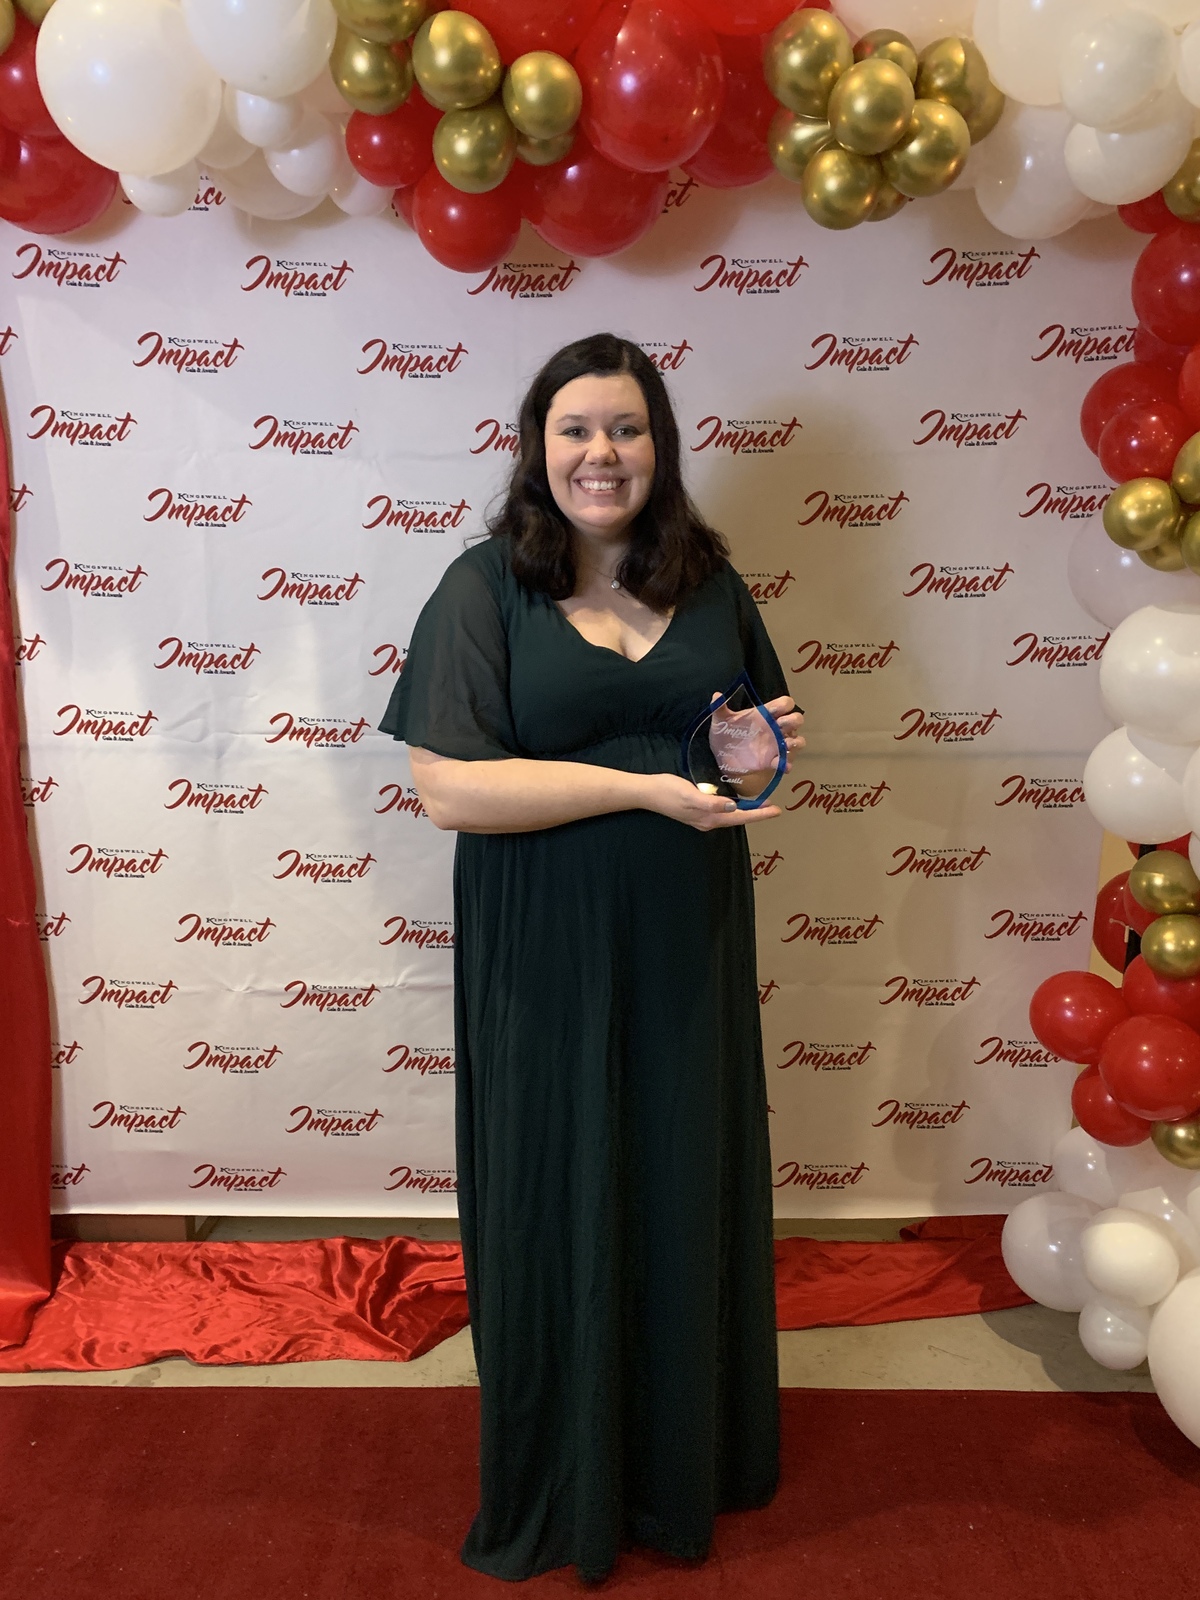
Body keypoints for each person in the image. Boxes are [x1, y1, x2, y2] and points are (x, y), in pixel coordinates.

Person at [380, 332, 804, 1583]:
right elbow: (448, 787)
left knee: (681, 1176)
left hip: (687, 943)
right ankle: (561, 1475)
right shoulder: (482, 586)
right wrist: (642, 792)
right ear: (538, 446)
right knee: (554, 1184)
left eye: (625, 428)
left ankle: (685, 1469)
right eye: (576, 429)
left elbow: (761, 760)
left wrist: (739, 765)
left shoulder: (716, 583)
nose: (601, 453)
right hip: (541, 949)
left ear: (659, 447)